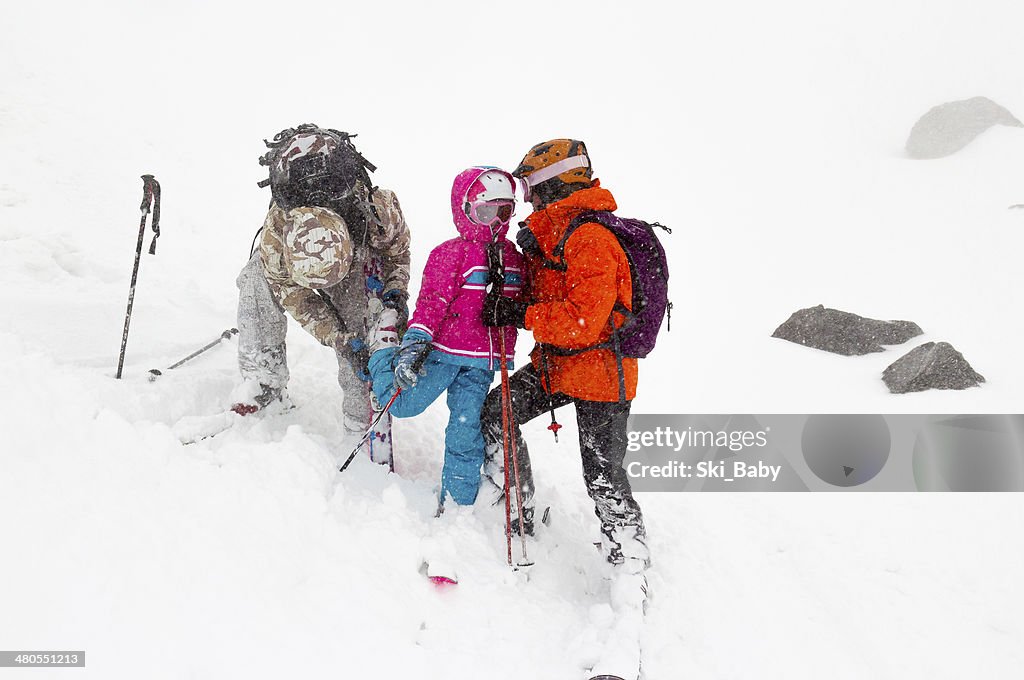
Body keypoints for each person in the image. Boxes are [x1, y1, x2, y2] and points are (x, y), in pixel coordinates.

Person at [480, 139, 651, 575]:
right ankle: (515, 504)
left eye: (531, 188)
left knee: (603, 477)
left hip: (601, 374)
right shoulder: (553, 237)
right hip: (557, 367)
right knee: (497, 413)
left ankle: (630, 562)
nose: (527, 199)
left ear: (552, 185)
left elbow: (582, 321)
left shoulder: (590, 238)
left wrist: (518, 313)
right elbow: (549, 295)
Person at [232, 124, 411, 459]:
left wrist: (394, 296)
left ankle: (360, 425)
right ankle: (262, 380)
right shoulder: (277, 238)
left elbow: (398, 254)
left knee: (362, 330)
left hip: (355, 257)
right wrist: (335, 336)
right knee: (256, 282)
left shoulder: (378, 213)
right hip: (291, 259)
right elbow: (292, 293)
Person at [365, 166, 523, 506]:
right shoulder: (450, 253)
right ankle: (381, 352)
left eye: (504, 212)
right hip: (442, 351)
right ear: (465, 210)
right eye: (486, 212)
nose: (495, 223)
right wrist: (415, 344)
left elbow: (522, 302)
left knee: (465, 432)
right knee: (405, 405)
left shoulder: (513, 256)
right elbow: (431, 304)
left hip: (482, 362)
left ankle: (458, 501)